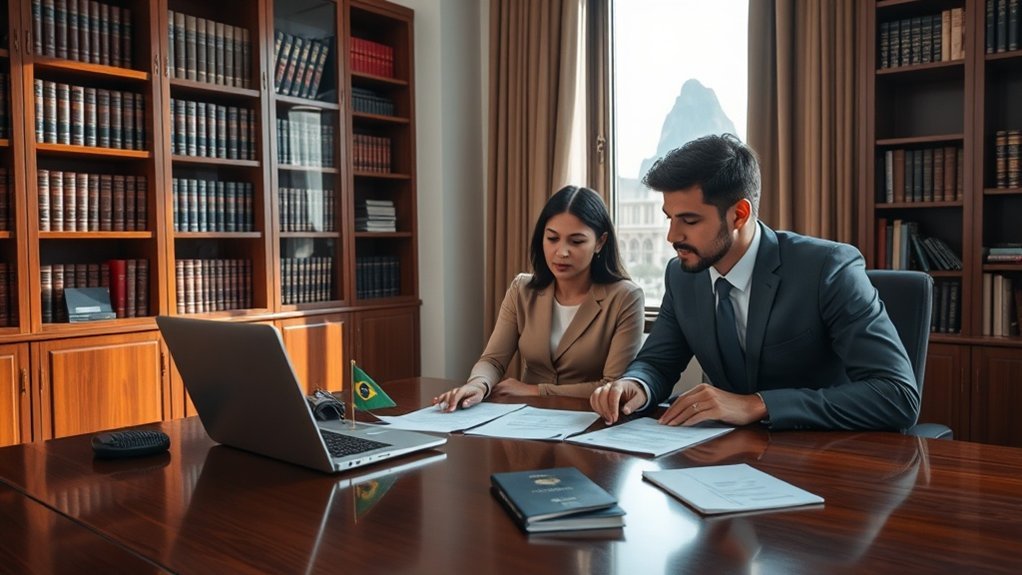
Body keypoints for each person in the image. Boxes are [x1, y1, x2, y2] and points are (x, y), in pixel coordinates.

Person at [590, 134, 920, 431]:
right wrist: (635, 385)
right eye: (670, 218)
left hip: (822, 456)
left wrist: (758, 404)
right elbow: (658, 363)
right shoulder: (682, 276)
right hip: (724, 460)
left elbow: (896, 394)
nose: (672, 236)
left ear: (739, 215)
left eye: (689, 220)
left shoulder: (827, 268)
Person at [434, 185, 644, 411]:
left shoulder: (625, 297)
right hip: (527, 417)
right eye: (552, 238)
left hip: (589, 418)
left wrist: (536, 390)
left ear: (600, 242)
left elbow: (612, 386)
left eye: (576, 241)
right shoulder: (522, 290)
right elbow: (493, 361)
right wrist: (479, 384)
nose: (561, 252)